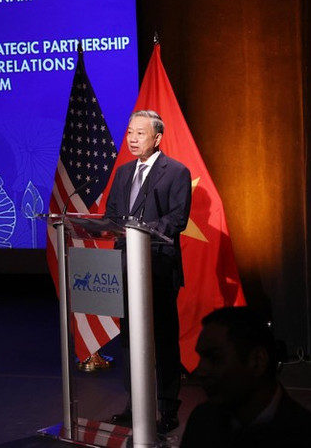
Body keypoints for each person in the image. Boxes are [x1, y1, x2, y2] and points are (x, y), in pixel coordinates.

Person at [105, 109, 192, 433]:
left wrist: (141, 230)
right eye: (130, 133)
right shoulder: (124, 172)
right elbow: (112, 213)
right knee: (129, 337)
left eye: (139, 133)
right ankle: (136, 403)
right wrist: (117, 228)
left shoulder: (176, 172)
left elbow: (177, 218)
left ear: (157, 138)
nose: (132, 138)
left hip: (157, 265)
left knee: (164, 338)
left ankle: (168, 407)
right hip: (125, 265)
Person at [180, 306, 311, 447]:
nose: (201, 371)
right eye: (201, 358)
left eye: (214, 358)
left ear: (257, 361)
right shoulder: (202, 422)